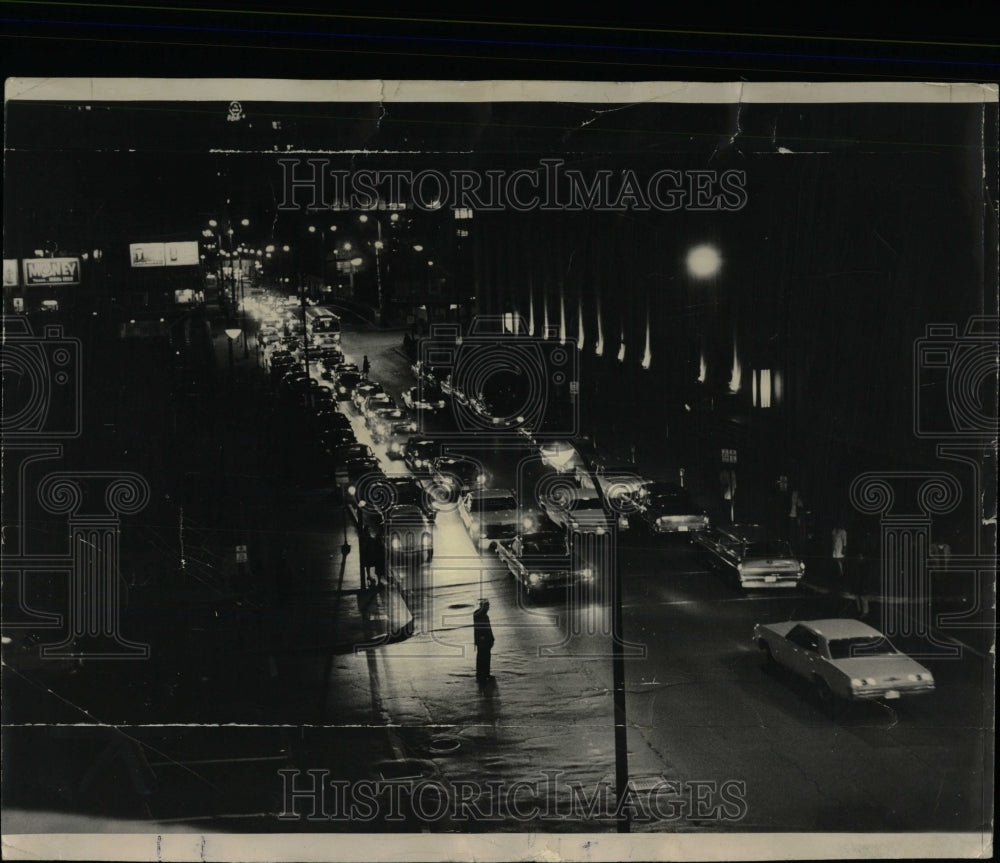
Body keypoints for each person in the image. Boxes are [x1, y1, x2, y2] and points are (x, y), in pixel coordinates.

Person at [473, 598, 495, 685]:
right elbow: (483, 629)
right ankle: (483, 675)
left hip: (484, 640)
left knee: (484, 657)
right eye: (486, 606)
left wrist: (492, 639)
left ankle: (483, 674)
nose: (488, 608)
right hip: (483, 641)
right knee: (483, 657)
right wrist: (485, 638)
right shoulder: (480, 615)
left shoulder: (481, 615)